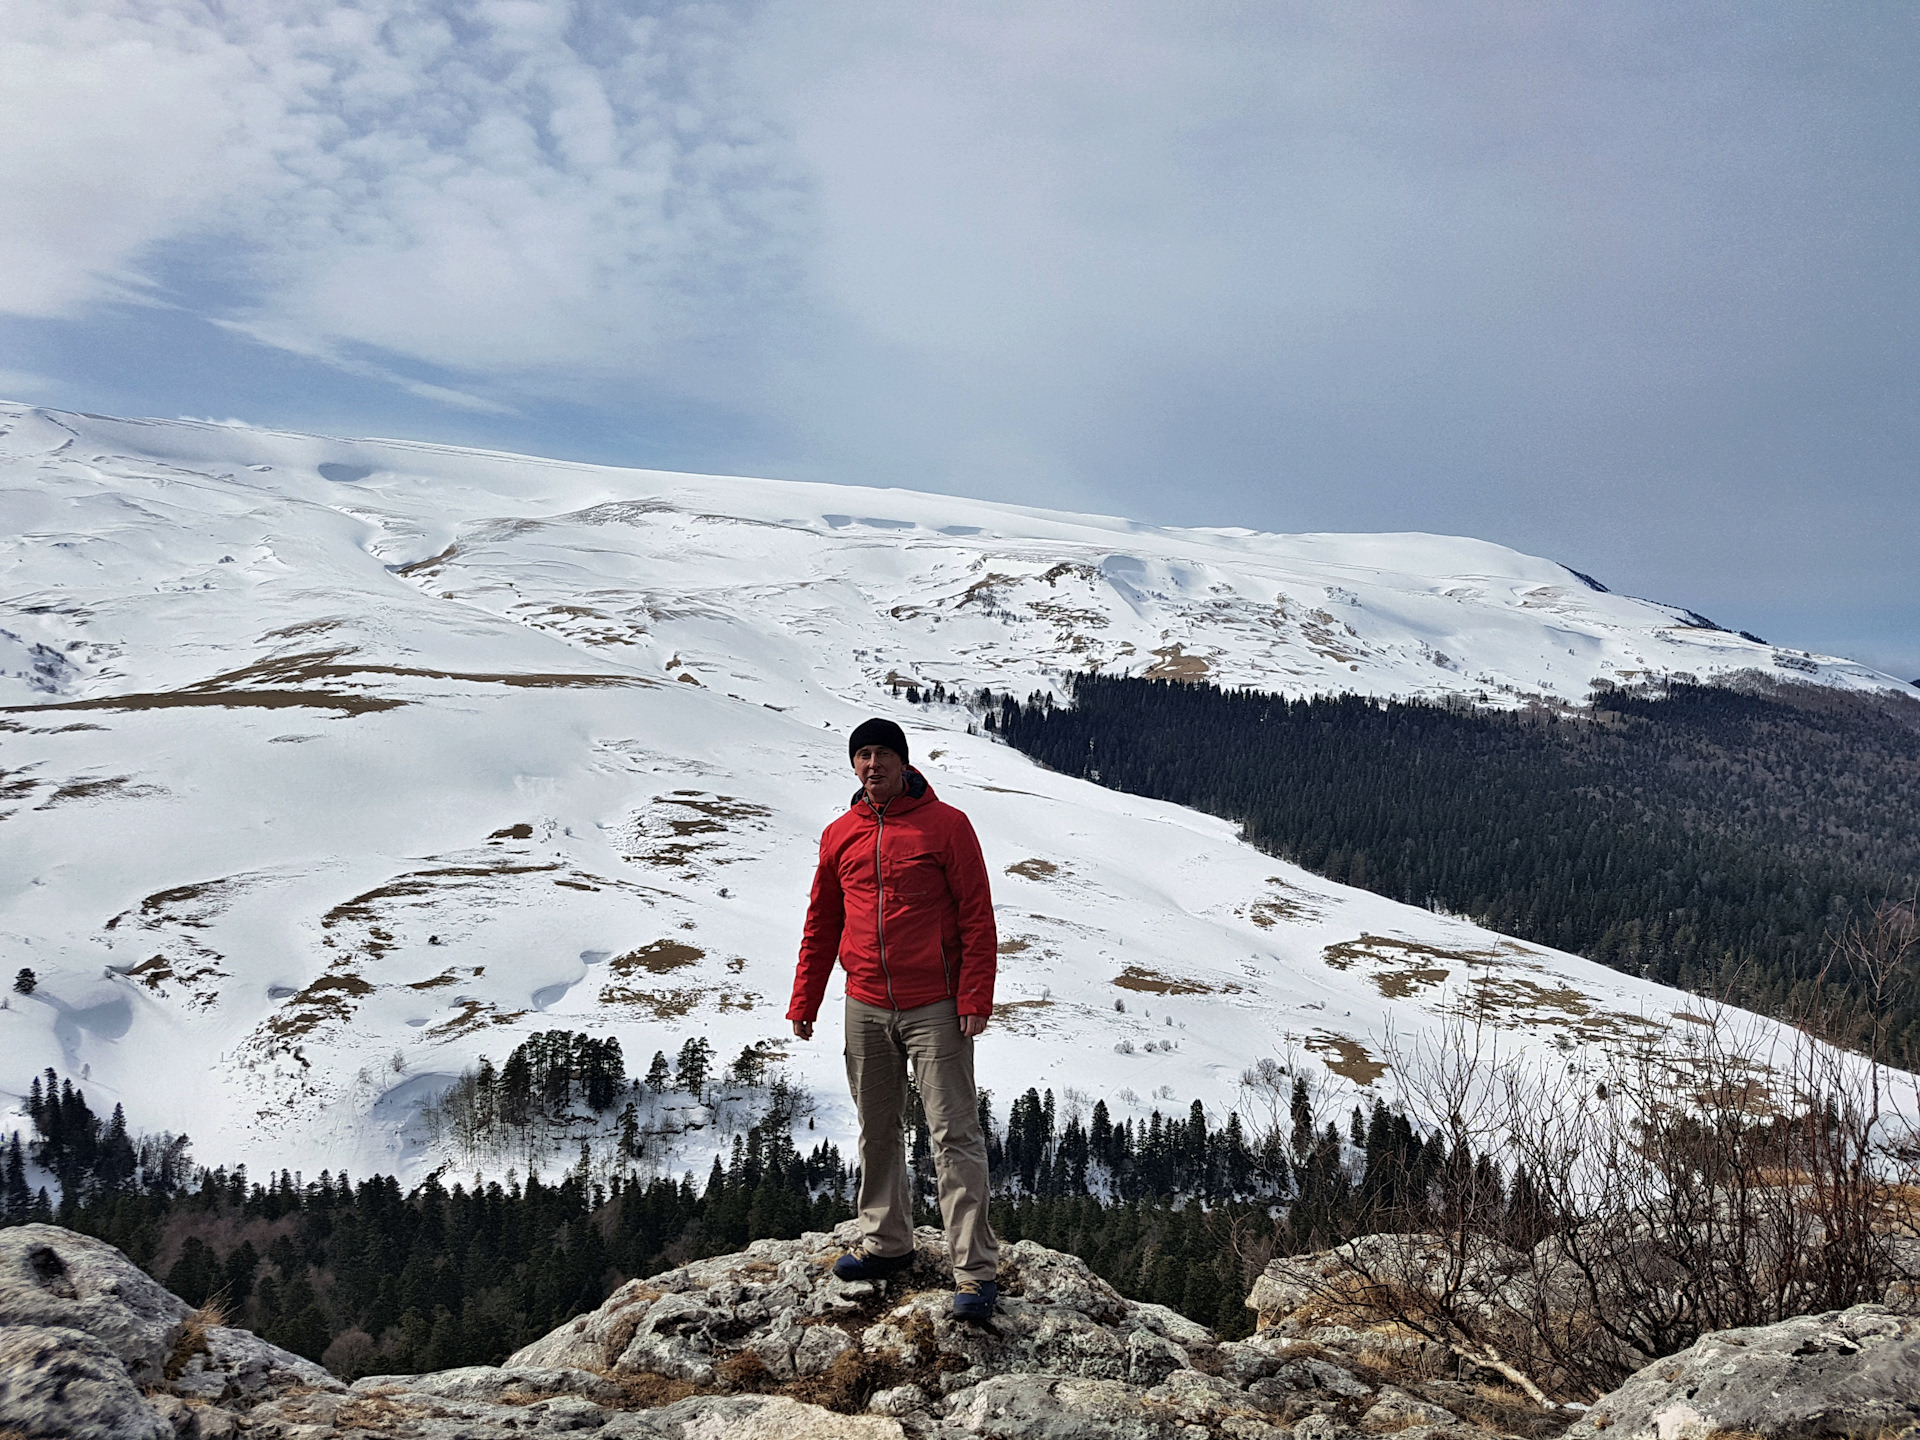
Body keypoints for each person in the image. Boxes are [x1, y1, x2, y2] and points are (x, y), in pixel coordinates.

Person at [788, 716, 1001, 1319]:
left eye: (884, 754)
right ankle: (886, 1244)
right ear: (853, 766)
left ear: (905, 763)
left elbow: (976, 917)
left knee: (953, 1134)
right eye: (863, 756)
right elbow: (822, 922)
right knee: (876, 1126)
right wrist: (806, 999)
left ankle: (975, 1272)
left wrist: (973, 997)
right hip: (865, 1003)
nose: (873, 764)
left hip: (935, 1005)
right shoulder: (839, 835)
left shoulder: (947, 827)